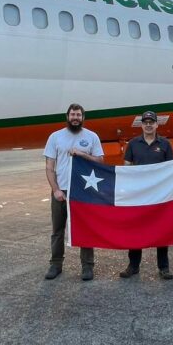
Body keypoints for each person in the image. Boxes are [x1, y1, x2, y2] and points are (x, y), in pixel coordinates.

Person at [44, 103, 104, 281]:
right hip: (61, 190)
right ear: (67, 117)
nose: (75, 118)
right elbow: (49, 167)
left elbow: (100, 160)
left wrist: (81, 154)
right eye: (73, 115)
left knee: (85, 229)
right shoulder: (55, 137)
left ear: (83, 117)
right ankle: (56, 264)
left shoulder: (92, 137)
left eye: (78, 115)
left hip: (83, 191)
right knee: (58, 230)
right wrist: (55, 190)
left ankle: (87, 266)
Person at [120, 111, 173, 280]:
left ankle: (164, 267)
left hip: (159, 195)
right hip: (139, 195)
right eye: (146, 122)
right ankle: (133, 265)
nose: (149, 125)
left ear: (157, 124)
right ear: (141, 125)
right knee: (136, 230)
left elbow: (171, 168)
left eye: (152, 122)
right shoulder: (133, 144)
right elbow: (126, 167)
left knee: (161, 230)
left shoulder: (165, 144)